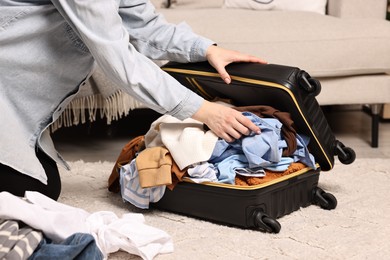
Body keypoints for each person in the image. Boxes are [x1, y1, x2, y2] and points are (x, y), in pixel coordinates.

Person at [0, 0, 266, 200]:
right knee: (29, 195)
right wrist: (204, 110)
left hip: (13, 96)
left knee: (39, 189)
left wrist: (205, 49)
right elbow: (116, 56)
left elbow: (141, 22)